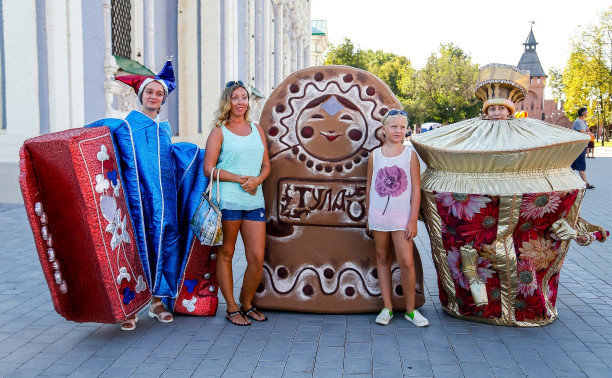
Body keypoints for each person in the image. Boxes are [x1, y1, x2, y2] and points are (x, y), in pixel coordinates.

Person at [107, 60, 180, 330]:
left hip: (164, 201)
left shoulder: (164, 129)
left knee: (164, 243)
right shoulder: (126, 126)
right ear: (141, 96)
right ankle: (131, 304)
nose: (154, 97)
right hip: (136, 200)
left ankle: (157, 301)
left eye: (159, 93)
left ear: (163, 99)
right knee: (134, 246)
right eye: (149, 92)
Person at [203, 81, 271, 326]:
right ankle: (232, 308)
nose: (240, 102)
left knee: (256, 258)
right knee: (227, 254)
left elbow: (266, 165)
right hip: (228, 200)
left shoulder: (257, 129)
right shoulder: (219, 131)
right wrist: (238, 178)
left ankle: (247, 303)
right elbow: (207, 168)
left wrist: (258, 180)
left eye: (244, 97)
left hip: (254, 199)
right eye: (235, 98)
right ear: (227, 102)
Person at [366, 109, 429, 327]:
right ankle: (387, 307)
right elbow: (370, 187)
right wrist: (369, 215)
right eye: (394, 126)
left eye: (403, 127)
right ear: (384, 129)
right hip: (379, 218)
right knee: (382, 259)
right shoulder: (375, 155)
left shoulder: (410, 156)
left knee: (407, 262)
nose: (399, 130)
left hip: (402, 219)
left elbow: (416, 190)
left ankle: (411, 310)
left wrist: (413, 220)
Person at [570, 107, 595, 189]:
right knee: (581, 164)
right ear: (584, 113)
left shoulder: (583, 122)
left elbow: (587, 130)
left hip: (582, 145)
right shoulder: (578, 122)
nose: (587, 114)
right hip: (579, 146)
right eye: (587, 112)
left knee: (573, 165)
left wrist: (590, 133)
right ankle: (585, 183)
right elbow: (583, 132)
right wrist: (590, 133)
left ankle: (565, 181)